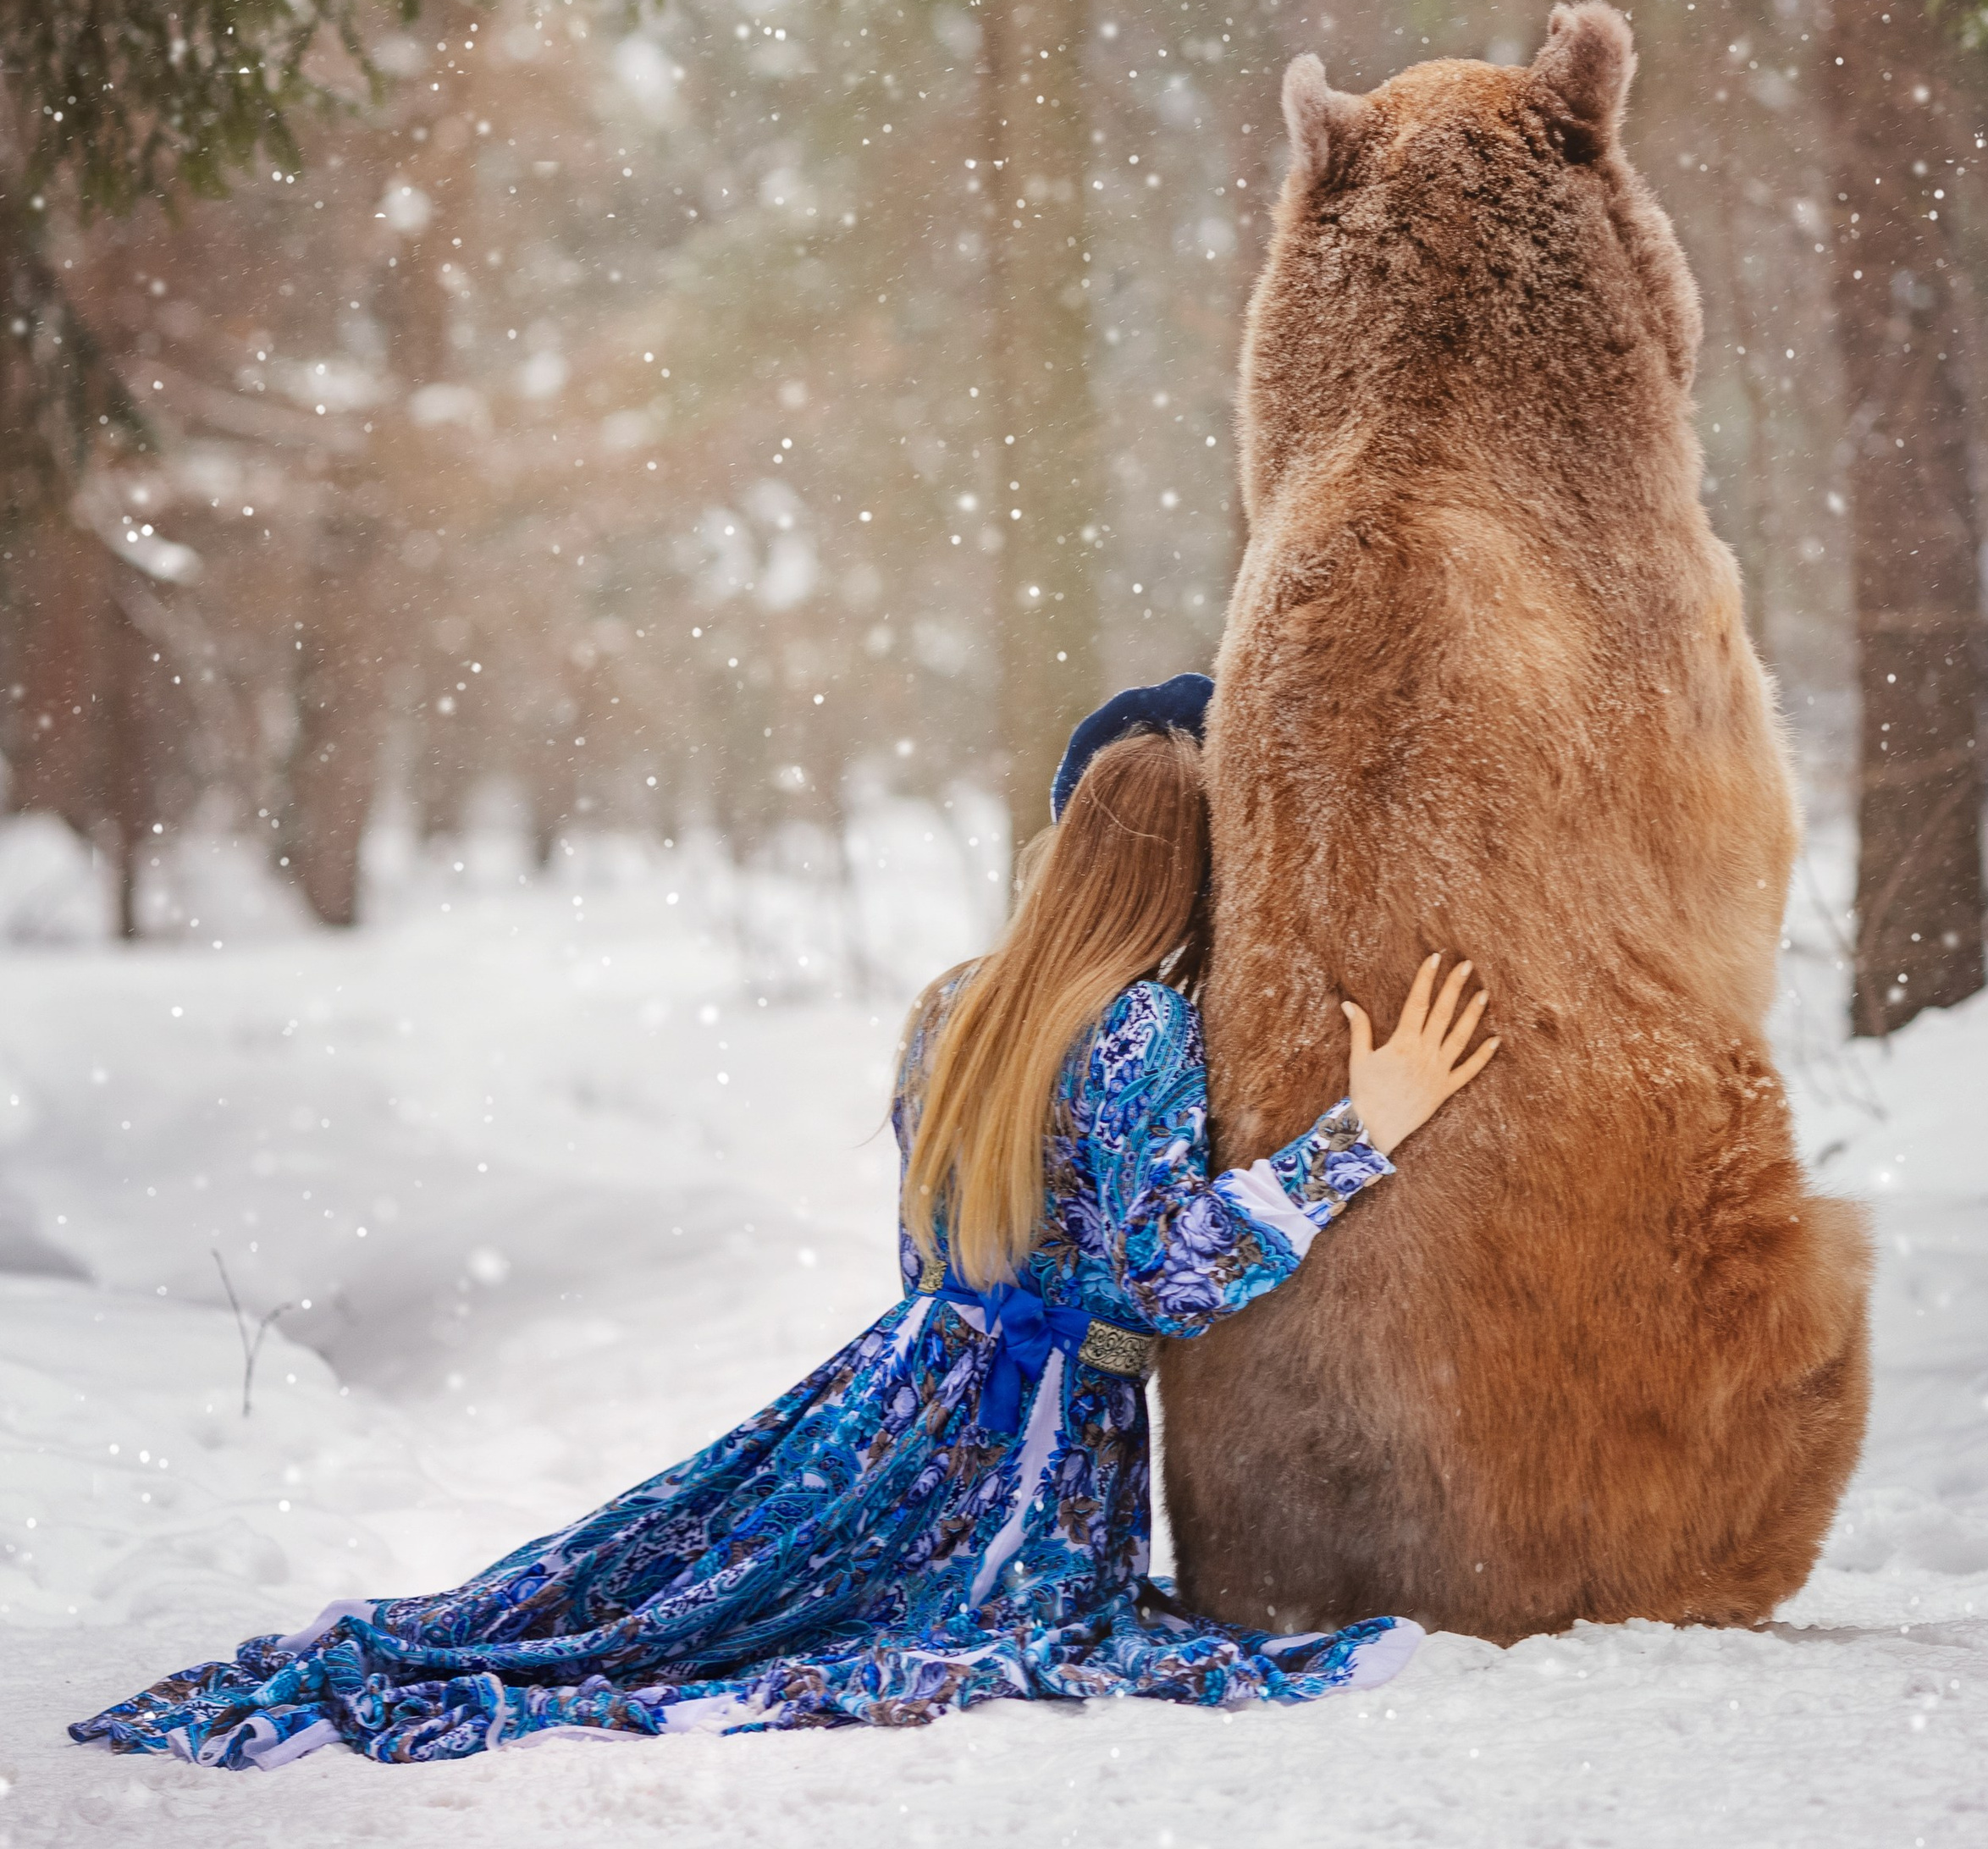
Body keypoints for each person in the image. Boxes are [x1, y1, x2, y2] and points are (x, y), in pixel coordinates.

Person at [72, 676, 1497, 1769]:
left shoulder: (956, 1005)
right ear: (1199, 876)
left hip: (897, 1389)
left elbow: (941, 1255)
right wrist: (1356, 1132)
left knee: (695, 1591)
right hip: (1033, 1436)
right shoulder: (1140, 1033)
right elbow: (1158, 1277)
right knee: (912, 1632)